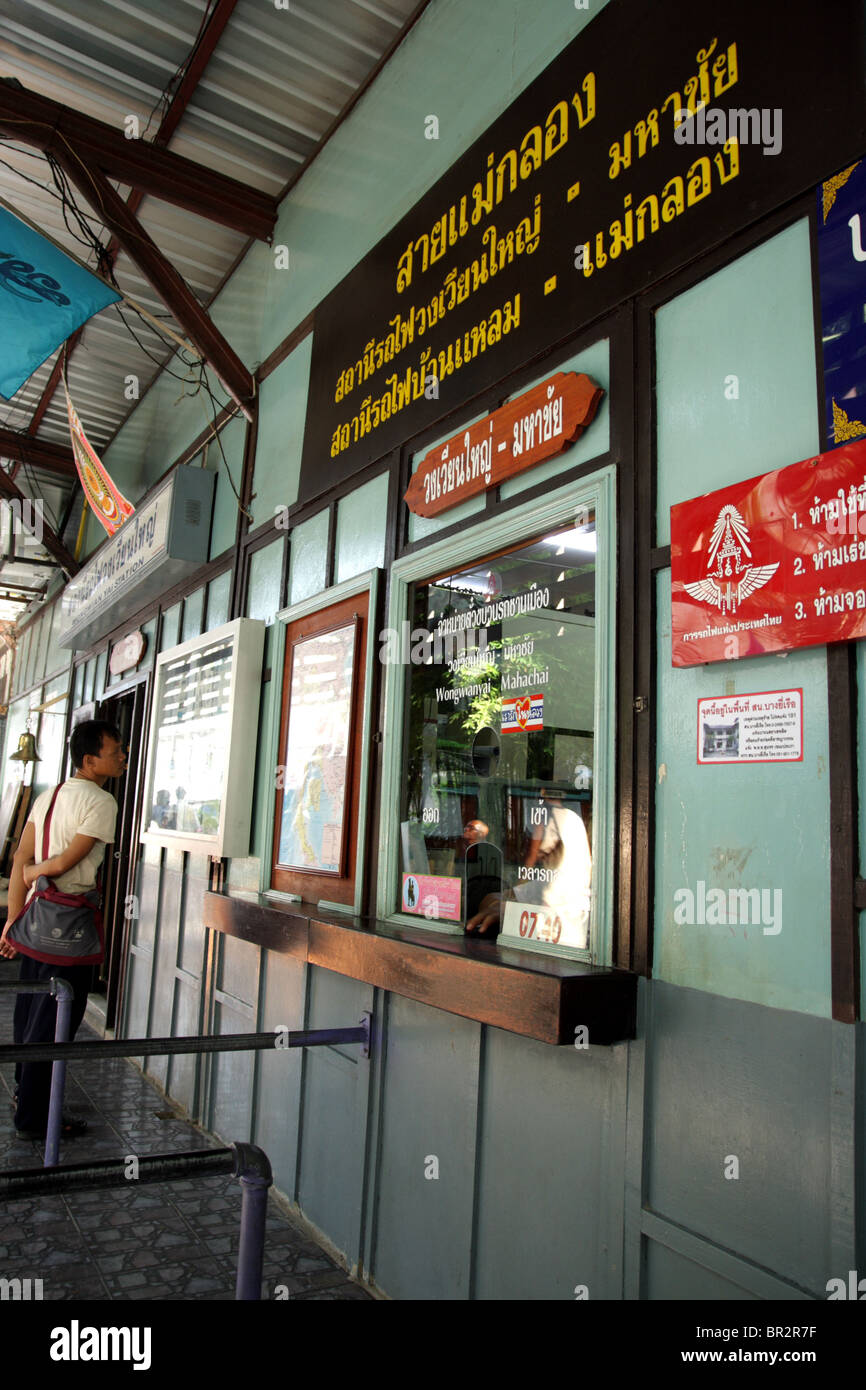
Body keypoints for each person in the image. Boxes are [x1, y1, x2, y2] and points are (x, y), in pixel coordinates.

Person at [0, 720, 126, 1140]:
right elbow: (60, 863)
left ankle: (25, 1095)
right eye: (115, 751)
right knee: (55, 1022)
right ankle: (35, 1119)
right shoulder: (101, 801)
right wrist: (38, 871)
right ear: (90, 760)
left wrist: (12, 922)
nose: (123, 756)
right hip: (69, 928)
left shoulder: (49, 795)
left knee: (29, 1012)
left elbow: (20, 856)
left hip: (37, 922)